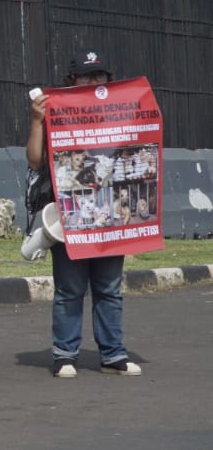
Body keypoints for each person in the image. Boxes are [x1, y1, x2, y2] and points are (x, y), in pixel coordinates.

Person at [27, 50, 142, 378]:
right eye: (85, 77)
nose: (92, 83)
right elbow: (35, 161)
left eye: (99, 76)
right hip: (71, 213)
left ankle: (113, 354)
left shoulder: (123, 113)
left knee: (109, 287)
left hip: (110, 213)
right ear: (71, 81)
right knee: (70, 289)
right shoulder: (55, 112)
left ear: (108, 80)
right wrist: (37, 121)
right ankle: (65, 354)